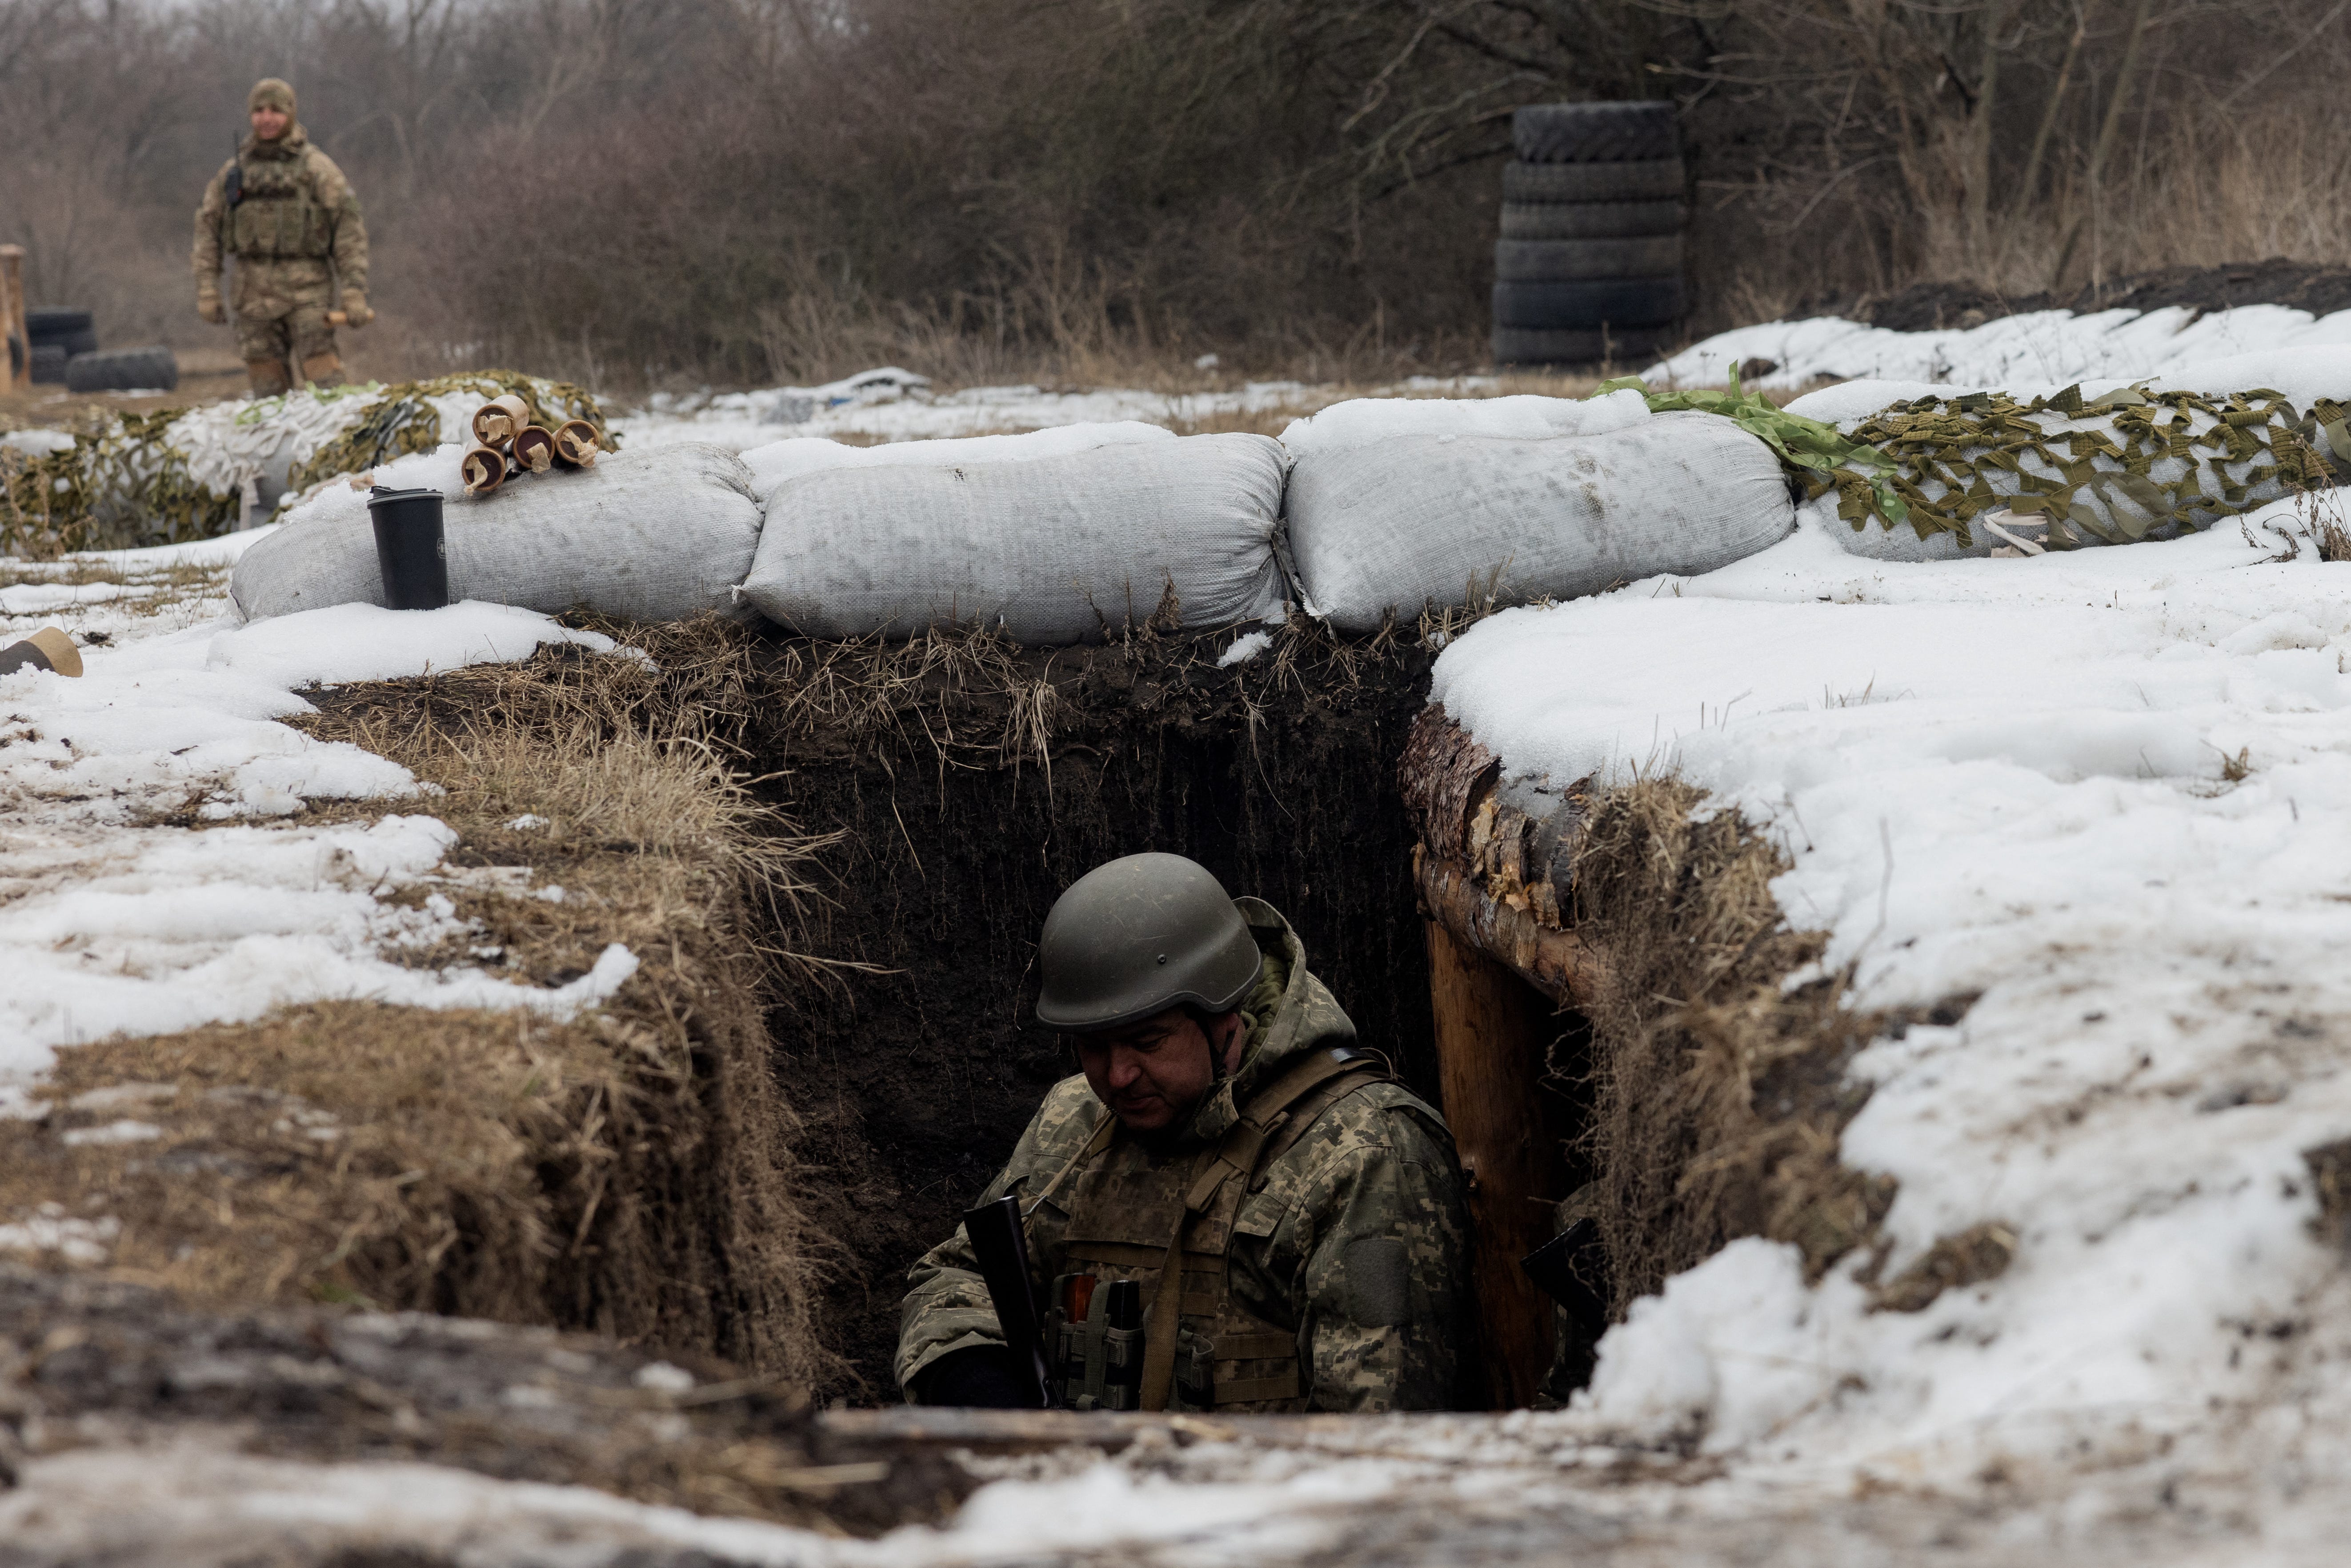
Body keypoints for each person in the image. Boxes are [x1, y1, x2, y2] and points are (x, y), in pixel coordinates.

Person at [897, 852, 1467, 1413]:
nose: (1117, 1077)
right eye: (1093, 1046)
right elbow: (961, 1278)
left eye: (1148, 1042)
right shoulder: (1076, 1118)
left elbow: (1378, 1438)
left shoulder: (1362, 1152)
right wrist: (985, 1392)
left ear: (1227, 1017)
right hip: (1083, 1495)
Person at [192, 77, 371, 396]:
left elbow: (348, 231)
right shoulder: (234, 173)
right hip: (252, 298)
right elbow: (207, 230)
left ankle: (341, 443)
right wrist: (208, 289)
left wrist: (354, 290)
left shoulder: (317, 169)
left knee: (328, 387)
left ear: (291, 114)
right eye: (259, 110)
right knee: (267, 394)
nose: (267, 118)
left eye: (276, 110)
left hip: (308, 295)